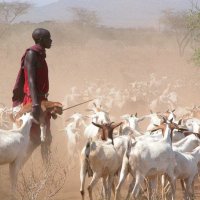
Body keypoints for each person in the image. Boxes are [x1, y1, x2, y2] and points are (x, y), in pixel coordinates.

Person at [12, 28, 52, 163]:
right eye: (48, 38)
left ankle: (48, 173)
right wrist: (35, 104)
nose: (51, 40)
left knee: (47, 138)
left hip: (41, 100)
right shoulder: (32, 54)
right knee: (35, 138)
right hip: (33, 100)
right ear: (40, 40)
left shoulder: (40, 54)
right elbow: (31, 80)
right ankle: (17, 166)